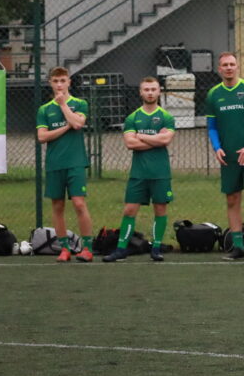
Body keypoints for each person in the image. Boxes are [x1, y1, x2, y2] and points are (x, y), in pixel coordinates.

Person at [103, 77, 176, 263]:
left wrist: (141, 136)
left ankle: (156, 248)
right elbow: (130, 143)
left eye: (153, 89)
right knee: (129, 210)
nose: (150, 92)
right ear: (140, 92)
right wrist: (156, 140)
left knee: (160, 209)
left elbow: (166, 140)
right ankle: (121, 249)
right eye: (146, 89)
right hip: (138, 174)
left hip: (160, 173)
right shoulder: (132, 118)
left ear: (159, 91)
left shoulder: (166, 117)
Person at [204, 52, 244, 260]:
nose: (229, 68)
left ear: (237, 66)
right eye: (225, 65)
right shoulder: (214, 94)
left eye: (232, 64)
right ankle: (238, 247)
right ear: (219, 69)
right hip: (228, 156)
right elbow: (212, 127)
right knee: (232, 199)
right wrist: (217, 147)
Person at [36, 67, 95, 262]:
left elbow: (78, 124)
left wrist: (63, 106)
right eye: (56, 81)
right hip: (55, 163)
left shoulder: (80, 103)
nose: (59, 85)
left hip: (75, 162)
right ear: (50, 83)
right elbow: (42, 137)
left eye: (63, 80)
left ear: (69, 82)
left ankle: (87, 248)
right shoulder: (44, 110)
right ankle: (64, 249)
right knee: (57, 206)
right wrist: (66, 126)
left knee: (79, 203)